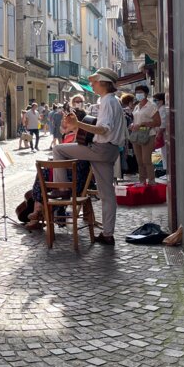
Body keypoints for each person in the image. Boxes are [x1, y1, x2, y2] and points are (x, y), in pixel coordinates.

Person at [52, 68, 127, 246]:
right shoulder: (113, 100)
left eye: (94, 82)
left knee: (59, 150)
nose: (91, 84)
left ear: (103, 82)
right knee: (107, 195)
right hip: (110, 150)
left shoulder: (107, 101)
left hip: (101, 149)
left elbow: (103, 130)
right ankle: (108, 234)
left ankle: (63, 189)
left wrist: (78, 124)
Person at [130, 84, 161, 185]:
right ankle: (142, 181)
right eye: (137, 92)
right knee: (139, 161)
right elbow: (135, 120)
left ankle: (151, 181)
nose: (138, 94)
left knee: (146, 159)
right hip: (136, 135)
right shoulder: (136, 107)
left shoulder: (151, 106)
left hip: (148, 135)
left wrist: (144, 124)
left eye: (141, 92)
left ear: (146, 94)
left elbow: (158, 122)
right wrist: (132, 125)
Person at [154, 92, 168, 176]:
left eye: (156, 100)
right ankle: (166, 170)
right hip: (162, 134)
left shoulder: (162, 109)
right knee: (164, 153)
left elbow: (162, 124)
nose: (154, 102)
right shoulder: (160, 109)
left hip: (163, 135)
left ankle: (167, 171)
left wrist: (158, 134)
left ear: (161, 101)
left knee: (165, 153)